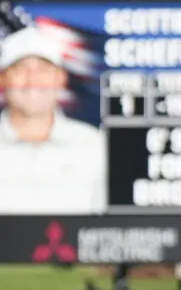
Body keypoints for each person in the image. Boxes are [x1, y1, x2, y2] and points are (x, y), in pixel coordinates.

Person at [0, 25, 106, 215]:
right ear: (3, 79)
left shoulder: (94, 144)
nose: (32, 81)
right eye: (20, 69)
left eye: (43, 69)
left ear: (60, 78)